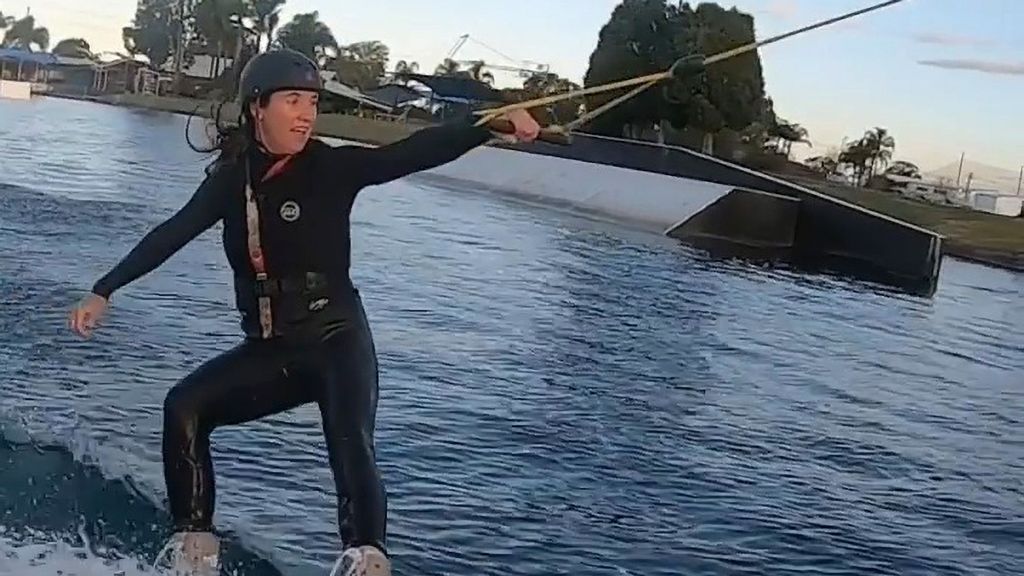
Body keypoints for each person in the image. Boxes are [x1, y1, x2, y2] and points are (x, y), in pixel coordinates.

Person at [68, 48, 540, 576]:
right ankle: (194, 555)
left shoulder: (332, 167)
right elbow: (172, 233)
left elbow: (410, 152)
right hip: (276, 349)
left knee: (350, 441)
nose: (306, 114)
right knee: (184, 408)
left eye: (312, 102)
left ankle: (366, 559)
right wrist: (105, 289)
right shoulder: (232, 181)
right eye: (292, 100)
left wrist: (485, 126)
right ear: (257, 108)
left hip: (338, 339)